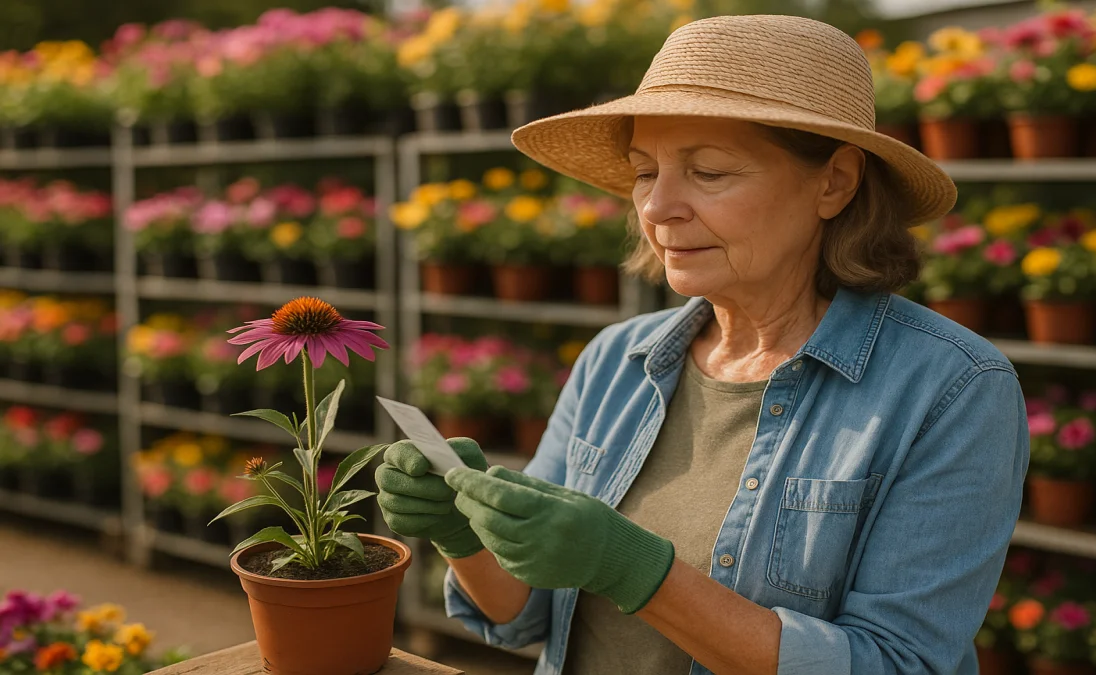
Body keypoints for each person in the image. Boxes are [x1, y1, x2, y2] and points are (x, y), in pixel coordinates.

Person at [376, 14, 1028, 675]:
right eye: (643, 171)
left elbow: (899, 664)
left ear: (835, 182)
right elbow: (527, 612)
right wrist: (466, 531)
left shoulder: (950, 387)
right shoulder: (616, 359)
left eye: (709, 170)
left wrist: (633, 567)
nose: (658, 207)